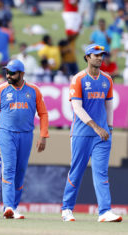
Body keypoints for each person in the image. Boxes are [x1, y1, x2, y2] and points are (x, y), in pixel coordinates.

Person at [61, 44, 122, 222]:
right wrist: (97, 127)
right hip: (81, 134)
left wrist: (109, 128)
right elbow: (77, 108)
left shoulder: (107, 80)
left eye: (101, 55)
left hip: (102, 136)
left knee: (101, 173)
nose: (99, 58)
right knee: (76, 172)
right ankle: (66, 209)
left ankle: (104, 211)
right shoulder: (78, 79)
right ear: (87, 57)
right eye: (95, 55)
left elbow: (109, 106)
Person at [0, 59, 49, 219]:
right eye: (7, 72)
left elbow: (43, 114)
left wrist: (43, 135)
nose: (8, 75)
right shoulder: (0, 90)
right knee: (8, 169)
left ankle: (13, 208)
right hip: (6, 133)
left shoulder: (34, 90)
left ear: (22, 74)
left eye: (12, 73)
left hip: (26, 134)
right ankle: (8, 206)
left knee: (20, 172)